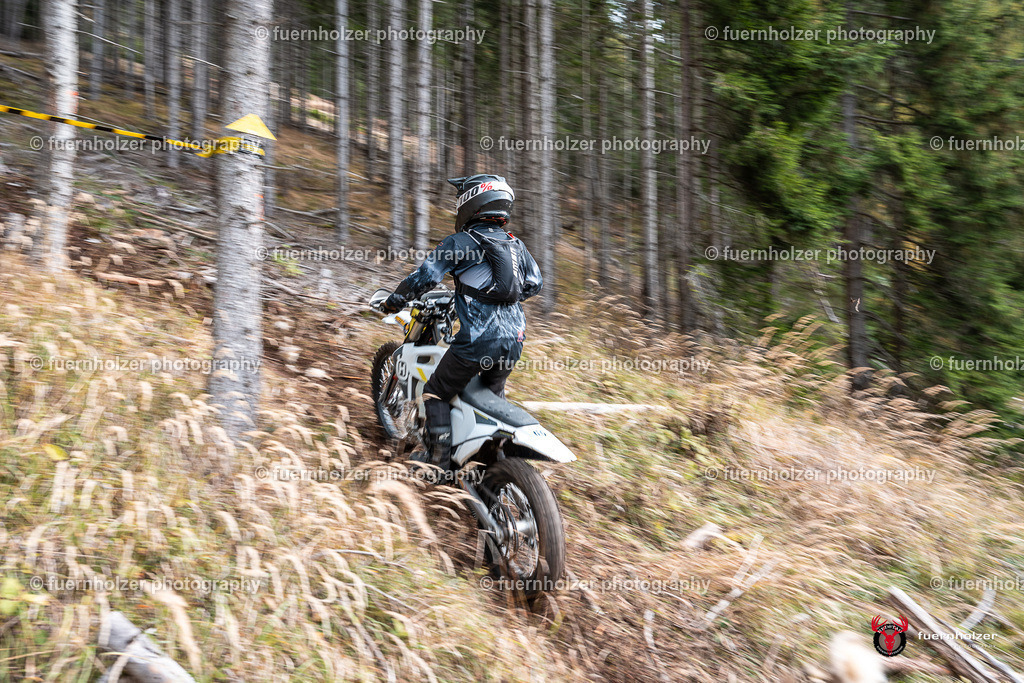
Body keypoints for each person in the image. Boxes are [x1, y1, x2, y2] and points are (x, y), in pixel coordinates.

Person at [381, 174, 543, 470]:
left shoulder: (461, 242)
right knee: (487, 400)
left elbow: (425, 278)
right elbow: (534, 284)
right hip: (515, 339)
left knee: (435, 392)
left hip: (478, 342)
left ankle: (438, 460)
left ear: (471, 202)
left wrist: (395, 300)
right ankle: (486, 459)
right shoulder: (515, 244)